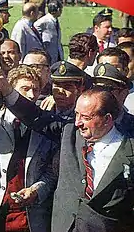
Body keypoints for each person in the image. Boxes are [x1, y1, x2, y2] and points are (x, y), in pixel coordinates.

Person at [0, 64, 58, 232]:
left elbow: (52, 170)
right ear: (10, 90)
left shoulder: (46, 125)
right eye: (25, 89)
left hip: (25, 215)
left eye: (35, 90)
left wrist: (37, 190)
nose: (31, 95)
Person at [52, 87, 134, 232]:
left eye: (86, 117)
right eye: (76, 114)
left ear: (107, 119)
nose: (78, 122)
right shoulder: (69, 133)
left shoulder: (129, 151)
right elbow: (34, 117)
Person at [93, 63, 134, 137]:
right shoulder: (82, 123)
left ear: (123, 93)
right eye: (97, 89)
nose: (101, 94)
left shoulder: (131, 125)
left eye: (108, 89)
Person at [34, 0, 64, 65]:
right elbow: (35, 29)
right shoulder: (44, 21)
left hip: (57, 54)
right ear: (58, 9)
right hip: (49, 54)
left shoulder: (55, 20)